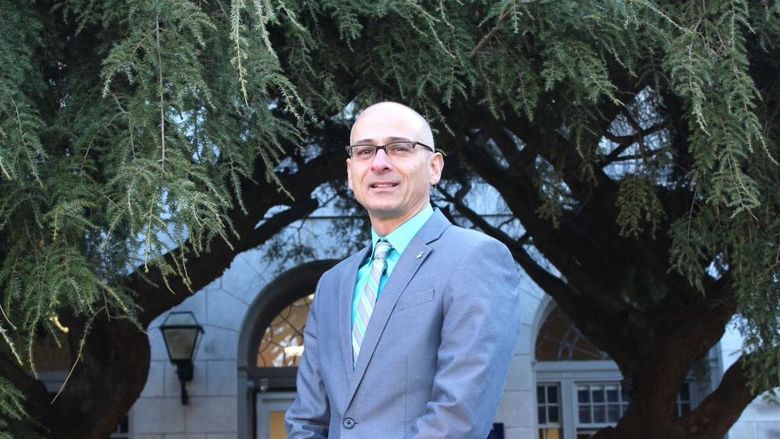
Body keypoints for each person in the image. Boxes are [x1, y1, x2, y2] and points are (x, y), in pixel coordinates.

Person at [285, 102, 521, 438]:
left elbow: (457, 419)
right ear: (351, 173)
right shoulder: (332, 284)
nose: (380, 163)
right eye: (365, 151)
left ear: (434, 167)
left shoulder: (476, 258)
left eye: (399, 148)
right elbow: (307, 420)